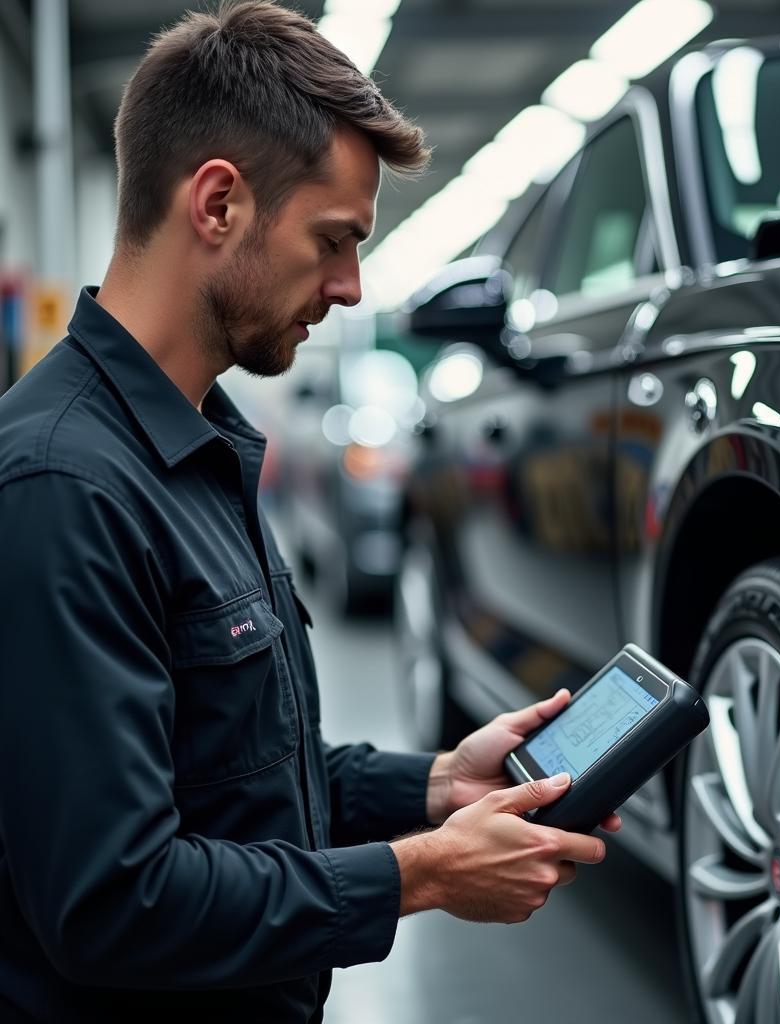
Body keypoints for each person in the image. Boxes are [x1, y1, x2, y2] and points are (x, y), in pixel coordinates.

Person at [0, 3, 619, 1020]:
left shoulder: (198, 447)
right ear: (218, 204)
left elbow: (229, 777)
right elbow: (113, 900)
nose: (348, 286)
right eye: (334, 240)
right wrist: (418, 873)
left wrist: (430, 789)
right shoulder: (65, 487)